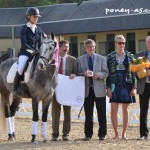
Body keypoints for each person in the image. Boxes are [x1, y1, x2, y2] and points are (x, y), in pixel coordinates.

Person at [77, 39, 109, 141]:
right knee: (88, 114)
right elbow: (77, 73)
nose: (92, 48)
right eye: (89, 47)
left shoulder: (101, 58)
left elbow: (106, 72)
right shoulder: (80, 59)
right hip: (87, 91)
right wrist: (83, 74)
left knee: (101, 113)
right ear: (85, 48)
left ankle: (102, 134)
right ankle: (88, 135)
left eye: (93, 47)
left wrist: (98, 75)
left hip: (99, 90)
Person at [106, 35, 136, 140]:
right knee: (114, 109)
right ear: (115, 43)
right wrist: (108, 88)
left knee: (125, 109)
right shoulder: (109, 57)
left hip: (127, 85)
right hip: (114, 85)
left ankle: (124, 133)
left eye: (123, 43)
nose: (121, 45)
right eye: (119, 43)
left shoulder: (130, 56)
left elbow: (134, 73)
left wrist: (134, 87)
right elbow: (107, 74)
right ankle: (116, 133)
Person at [13, 7, 42, 97]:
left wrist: (40, 51)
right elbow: (24, 44)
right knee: (21, 68)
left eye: (37, 17)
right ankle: (15, 88)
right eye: (34, 17)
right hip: (25, 53)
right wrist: (33, 51)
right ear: (29, 17)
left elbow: (40, 43)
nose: (36, 18)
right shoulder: (24, 29)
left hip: (36, 53)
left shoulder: (38, 29)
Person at [51, 40, 77, 141]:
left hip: (67, 91)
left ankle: (66, 134)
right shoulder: (53, 59)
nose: (67, 49)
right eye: (65, 47)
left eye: (68, 47)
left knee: (67, 113)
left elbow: (76, 73)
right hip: (55, 90)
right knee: (55, 113)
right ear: (59, 48)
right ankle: (55, 134)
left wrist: (74, 74)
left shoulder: (72, 60)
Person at [136, 36, 150, 140]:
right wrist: (142, 74)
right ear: (145, 43)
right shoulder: (139, 55)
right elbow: (134, 72)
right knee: (143, 111)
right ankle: (143, 134)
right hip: (143, 86)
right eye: (149, 41)